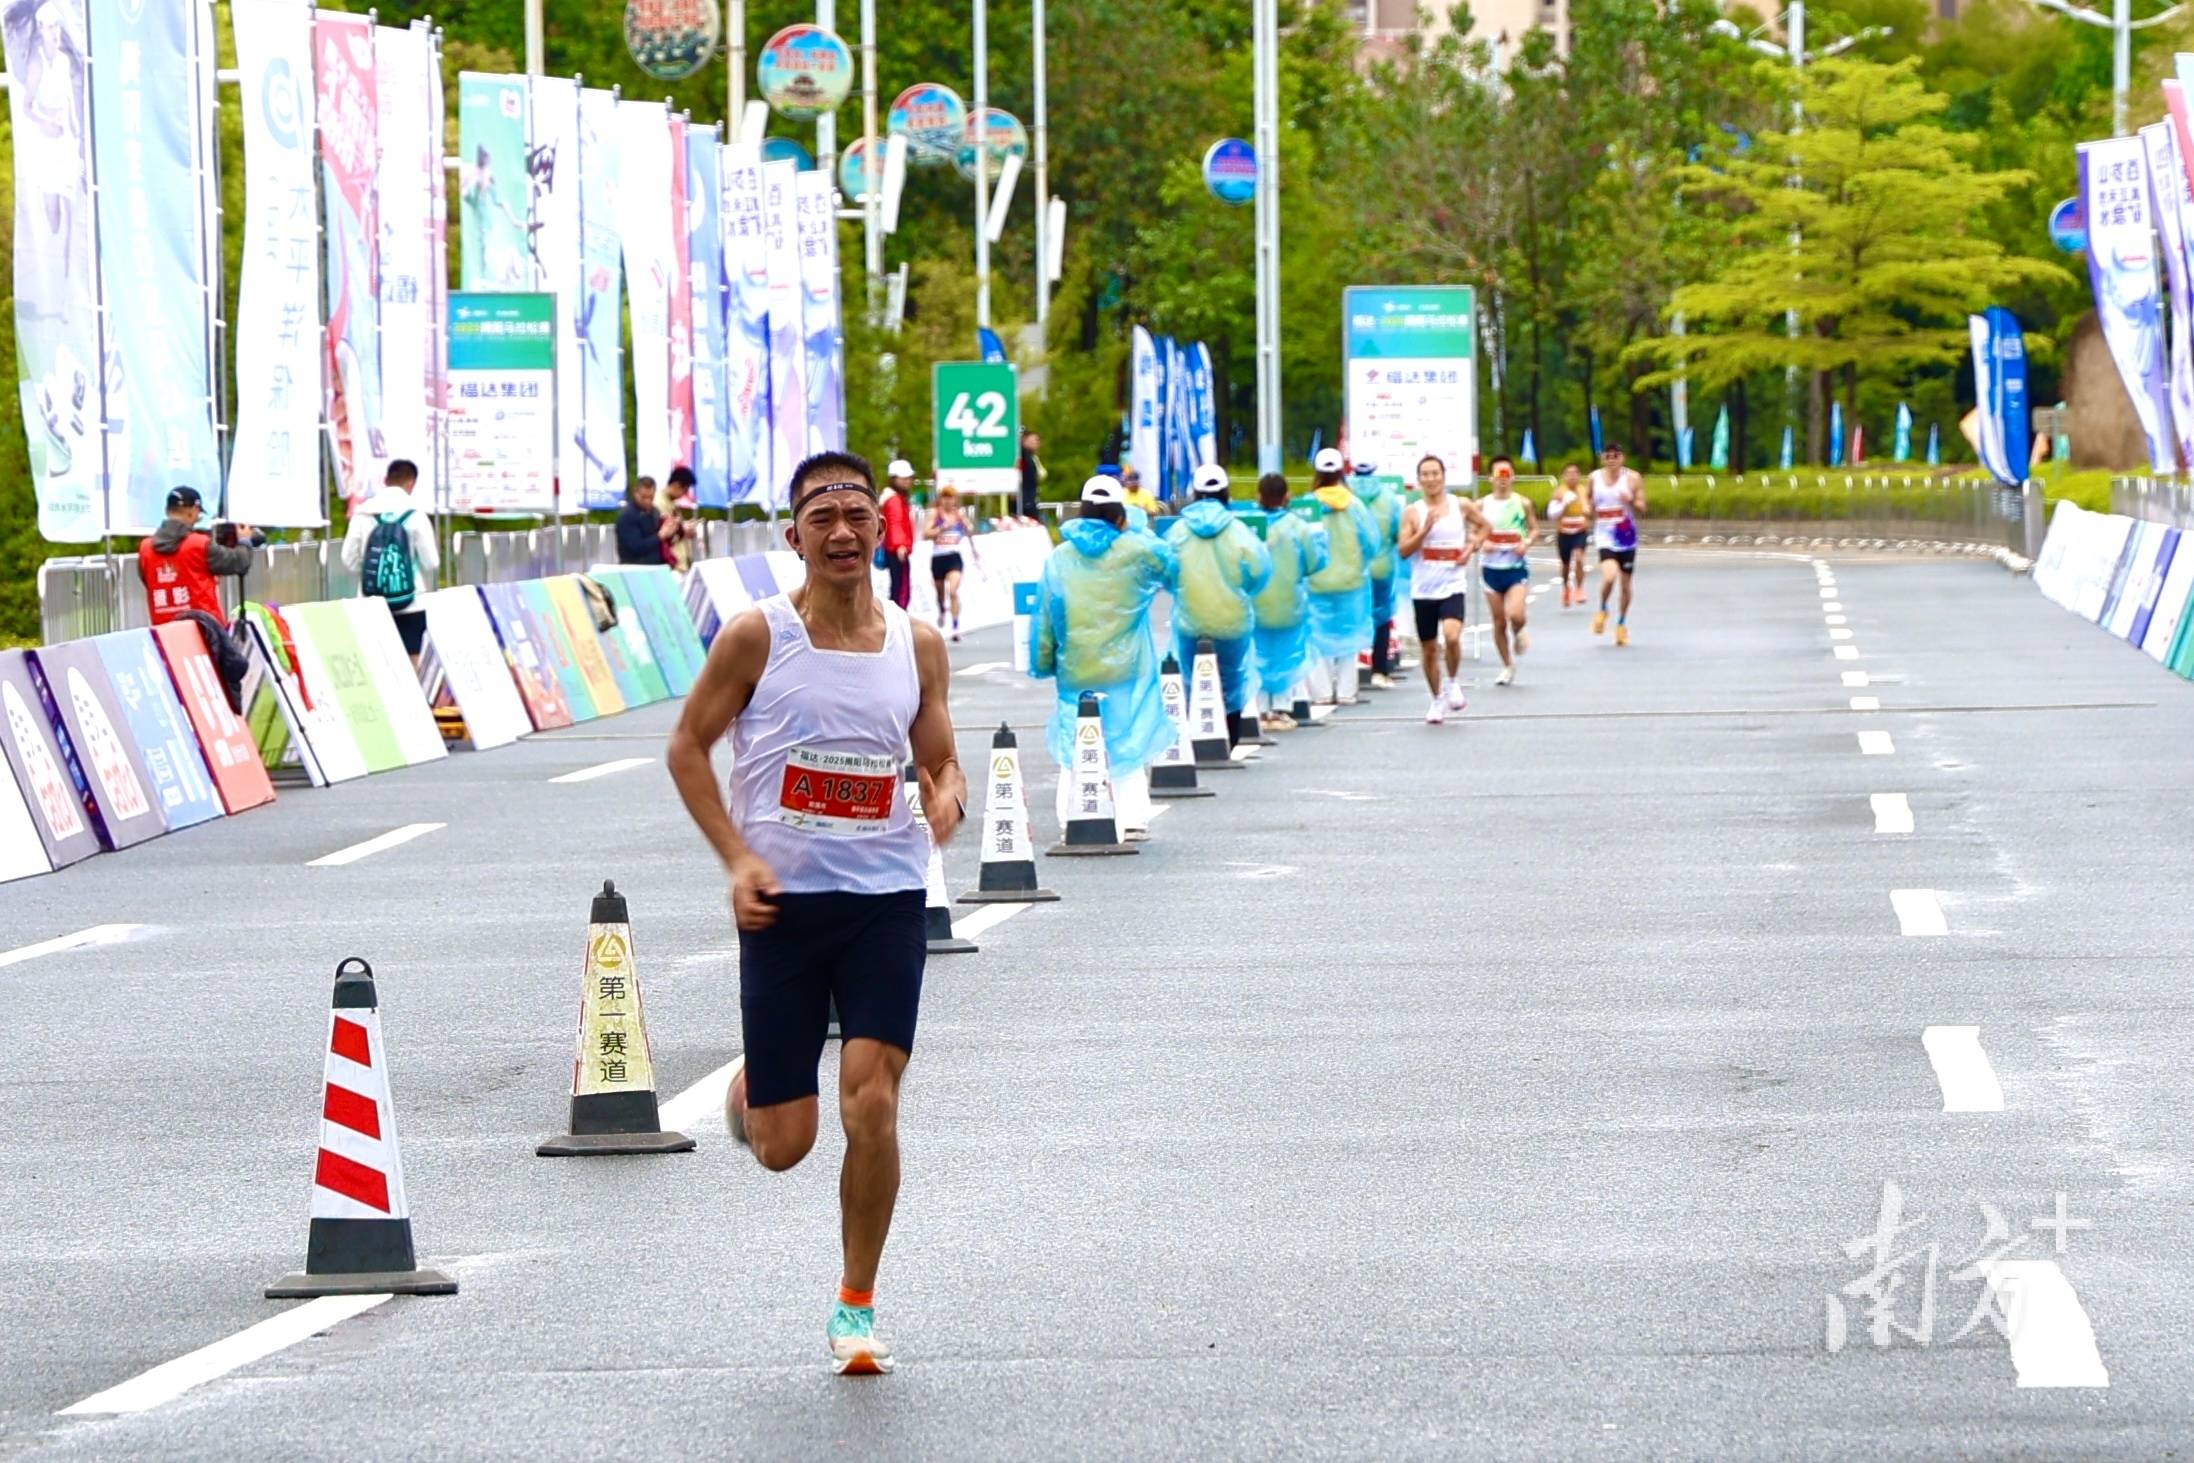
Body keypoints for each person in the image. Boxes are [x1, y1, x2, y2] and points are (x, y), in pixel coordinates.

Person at [665, 449, 964, 1379]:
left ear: (881, 528)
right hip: (785, 909)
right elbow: (686, 748)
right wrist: (739, 858)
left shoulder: (915, 644)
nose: (841, 532)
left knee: (872, 1100)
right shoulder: (757, 637)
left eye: (857, 515)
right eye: (821, 517)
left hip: (884, 901)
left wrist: (946, 795)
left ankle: (856, 1305)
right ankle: (749, 1092)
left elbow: (941, 761)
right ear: (793, 535)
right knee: (784, 1145)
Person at [1031, 477, 1176, 840]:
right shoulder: (1134, 551)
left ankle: (1073, 815)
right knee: (1125, 739)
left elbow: (1046, 617)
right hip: (1128, 667)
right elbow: (1171, 565)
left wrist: (1043, 660)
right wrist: (1139, 527)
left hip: (1076, 668)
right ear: (1119, 512)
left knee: (1074, 741)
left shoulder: (1059, 559)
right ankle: (1131, 816)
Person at [1167, 463, 1273, 745]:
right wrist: (1240, 591)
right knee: (1233, 682)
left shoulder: (1178, 532)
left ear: (1194, 493)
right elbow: (1260, 571)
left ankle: (1195, 739)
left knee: (1191, 680)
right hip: (1232, 622)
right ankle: (1231, 739)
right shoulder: (1239, 531)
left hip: (1189, 621)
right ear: (1226, 493)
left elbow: (1165, 572)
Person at [1396, 453, 1488, 724]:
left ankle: (1453, 681)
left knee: (1452, 635)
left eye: (1435, 473)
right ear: (1419, 480)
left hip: (1452, 584)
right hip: (1423, 589)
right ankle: (1437, 699)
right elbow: (1403, 550)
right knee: (1428, 649)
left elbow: (1485, 527)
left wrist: (1471, 547)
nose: (1431, 479)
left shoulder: (1461, 506)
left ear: (1443, 476)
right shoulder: (1412, 512)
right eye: (1425, 474)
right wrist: (1424, 531)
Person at [1249, 472, 1330, 732]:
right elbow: (1314, 562)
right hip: (1289, 604)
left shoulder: (1247, 526)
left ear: (1258, 496)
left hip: (1255, 604)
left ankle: (1261, 710)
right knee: (1287, 655)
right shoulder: (1298, 527)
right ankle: (1281, 710)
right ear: (1287, 497)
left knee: (1259, 655)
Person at [342, 458, 441, 667]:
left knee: (376, 660)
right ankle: (411, 699)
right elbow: (431, 561)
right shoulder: (415, 515)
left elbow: (348, 559)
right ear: (411, 483)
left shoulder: (362, 514)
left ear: (385, 480)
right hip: (411, 601)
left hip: (370, 601)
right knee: (412, 659)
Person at [1303, 448, 1379, 706]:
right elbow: (1372, 541)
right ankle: (1347, 692)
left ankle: (1322, 693)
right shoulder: (1355, 505)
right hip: (1351, 582)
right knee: (1349, 638)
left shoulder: (1307, 505)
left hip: (1315, 583)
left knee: (1315, 637)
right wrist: (1359, 564)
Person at [137, 487, 260, 627]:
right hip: (204, 633)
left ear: (166, 510)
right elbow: (239, 562)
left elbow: (149, 580)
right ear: (192, 511)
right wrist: (244, 540)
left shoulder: (145, 549)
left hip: (164, 635)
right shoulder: (199, 545)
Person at [1478, 455, 1538, 686]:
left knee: (1515, 614)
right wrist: (1482, 542)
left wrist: (1527, 543)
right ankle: (1507, 666)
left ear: (1513, 477)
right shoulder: (1481, 505)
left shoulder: (1522, 503)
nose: (1502, 479)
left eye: (1507, 475)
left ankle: (1520, 629)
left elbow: (1533, 529)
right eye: (1498, 475)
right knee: (1499, 621)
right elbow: (1472, 531)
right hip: (1491, 570)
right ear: (1490, 478)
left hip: (1515, 568)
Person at [1351, 461, 1404, 688]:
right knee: (1382, 619)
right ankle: (1379, 669)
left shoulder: (1346, 496)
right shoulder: (1388, 498)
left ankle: (1350, 670)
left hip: (1352, 568)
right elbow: (1398, 532)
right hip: (1382, 566)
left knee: (1352, 617)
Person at [1589, 444, 1647, 645]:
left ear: (1622, 458)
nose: (1612, 459)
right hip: (1604, 536)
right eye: (1608, 456)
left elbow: (1642, 507)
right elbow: (1589, 503)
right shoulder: (1594, 478)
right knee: (1609, 575)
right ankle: (1603, 607)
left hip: (1626, 537)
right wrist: (1587, 512)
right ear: (1603, 458)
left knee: (1625, 583)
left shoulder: (1632, 478)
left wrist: (1630, 500)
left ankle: (1621, 624)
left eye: (1616, 456)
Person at [922, 486, 976, 640]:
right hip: (938, 557)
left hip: (954, 556)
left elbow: (970, 530)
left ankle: (955, 626)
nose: (947, 501)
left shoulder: (959, 514)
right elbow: (925, 534)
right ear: (940, 499)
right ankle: (941, 609)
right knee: (940, 594)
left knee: (952, 591)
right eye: (945, 498)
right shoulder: (935, 514)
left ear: (955, 499)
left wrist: (968, 528)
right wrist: (940, 528)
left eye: (950, 498)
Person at [1545, 463, 1593, 608]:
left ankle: (1579, 589)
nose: (1572, 476)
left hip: (1580, 531)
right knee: (1565, 564)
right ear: (1564, 476)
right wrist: (1564, 504)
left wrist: (1587, 509)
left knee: (1579, 557)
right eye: (1569, 473)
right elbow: (1551, 514)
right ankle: (1566, 588)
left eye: (1575, 473)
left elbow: (1590, 509)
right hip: (1564, 532)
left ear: (1579, 476)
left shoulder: (1584, 491)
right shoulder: (1559, 492)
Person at [880, 460, 917, 610]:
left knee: (899, 589)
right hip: (897, 550)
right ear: (894, 479)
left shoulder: (895, 498)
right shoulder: (894, 500)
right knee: (901, 591)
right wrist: (900, 545)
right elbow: (895, 523)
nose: (908, 481)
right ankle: (898, 625)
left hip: (896, 549)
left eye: (909, 478)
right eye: (904, 478)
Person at [616, 476, 671, 566]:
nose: (647, 501)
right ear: (635, 493)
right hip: (634, 567)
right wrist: (660, 536)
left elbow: (662, 541)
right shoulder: (627, 515)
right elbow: (636, 547)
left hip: (656, 566)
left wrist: (670, 528)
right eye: (643, 497)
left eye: (651, 497)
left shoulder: (655, 511)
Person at [661, 466, 699, 570]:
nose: (684, 495)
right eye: (685, 490)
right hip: (671, 564)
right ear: (676, 485)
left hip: (680, 563)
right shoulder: (659, 503)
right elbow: (666, 533)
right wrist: (684, 529)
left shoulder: (672, 504)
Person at [1016, 429, 1044, 519]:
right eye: (1033, 440)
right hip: (1024, 497)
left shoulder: (1032, 457)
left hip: (1031, 496)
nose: (1037, 443)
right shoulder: (1023, 455)